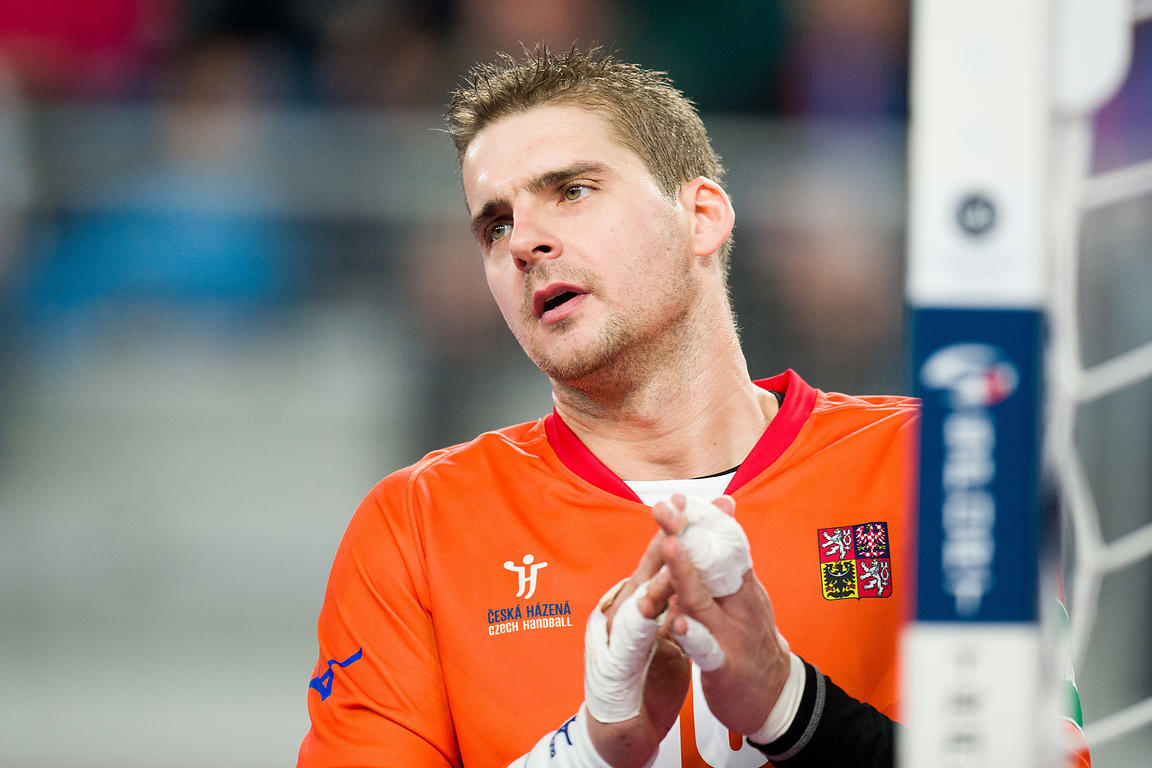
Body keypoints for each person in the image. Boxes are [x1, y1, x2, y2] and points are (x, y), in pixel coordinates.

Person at [296, 46, 1078, 768]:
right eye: (495, 226)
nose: (524, 241)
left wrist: (789, 706)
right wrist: (592, 751)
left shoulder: (941, 462)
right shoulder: (418, 526)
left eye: (571, 191)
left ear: (702, 216)